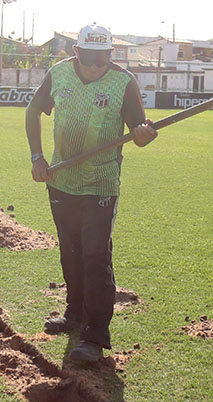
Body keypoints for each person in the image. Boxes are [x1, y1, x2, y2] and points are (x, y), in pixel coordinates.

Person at [25, 24, 158, 363]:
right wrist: (37, 157)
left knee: (96, 256)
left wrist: (144, 136)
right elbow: (33, 111)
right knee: (70, 252)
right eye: (91, 59)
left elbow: (139, 130)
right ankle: (74, 314)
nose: (98, 66)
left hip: (101, 183)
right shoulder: (58, 74)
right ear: (76, 53)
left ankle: (95, 335)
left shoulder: (123, 82)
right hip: (61, 180)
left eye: (104, 58)